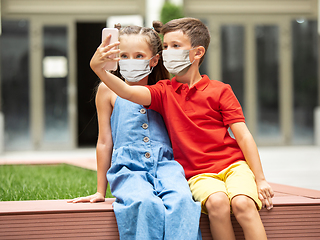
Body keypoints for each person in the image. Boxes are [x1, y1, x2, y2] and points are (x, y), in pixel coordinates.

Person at [90, 17, 275, 240]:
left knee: (196, 202)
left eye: (174, 47)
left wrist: (260, 177)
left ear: (153, 60)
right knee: (147, 202)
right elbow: (119, 110)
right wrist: (99, 69)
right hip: (158, 170)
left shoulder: (192, 90)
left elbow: (242, 135)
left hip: (194, 167)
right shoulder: (160, 91)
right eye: (166, 46)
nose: (169, 52)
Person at [68, 23, 202, 240]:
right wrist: (100, 191)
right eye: (124, 55)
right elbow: (104, 141)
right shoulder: (107, 90)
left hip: (166, 165)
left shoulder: (165, 89)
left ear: (154, 60)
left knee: (182, 201)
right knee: (144, 202)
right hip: (128, 168)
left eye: (139, 55)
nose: (131, 61)